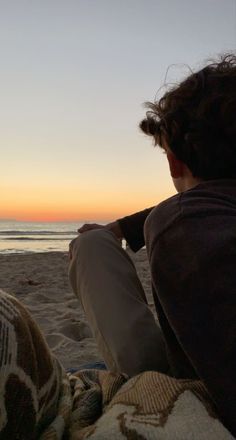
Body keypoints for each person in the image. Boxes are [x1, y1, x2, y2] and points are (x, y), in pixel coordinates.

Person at [69, 54, 236, 437]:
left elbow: (188, 211)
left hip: (199, 403)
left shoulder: (183, 222)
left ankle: (140, 381)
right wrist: (119, 227)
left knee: (90, 247)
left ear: (175, 162)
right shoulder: (191, 215)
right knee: (97, 240)